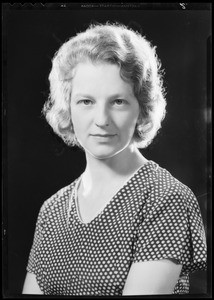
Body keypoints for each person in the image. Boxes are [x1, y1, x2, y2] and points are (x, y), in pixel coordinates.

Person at [22, 22, 207, 295]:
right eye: (86, 101)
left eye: (118, 101)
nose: (101, 120)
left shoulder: (165, 198)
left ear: (142, 109)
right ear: (67, 108)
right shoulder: (52, 211)